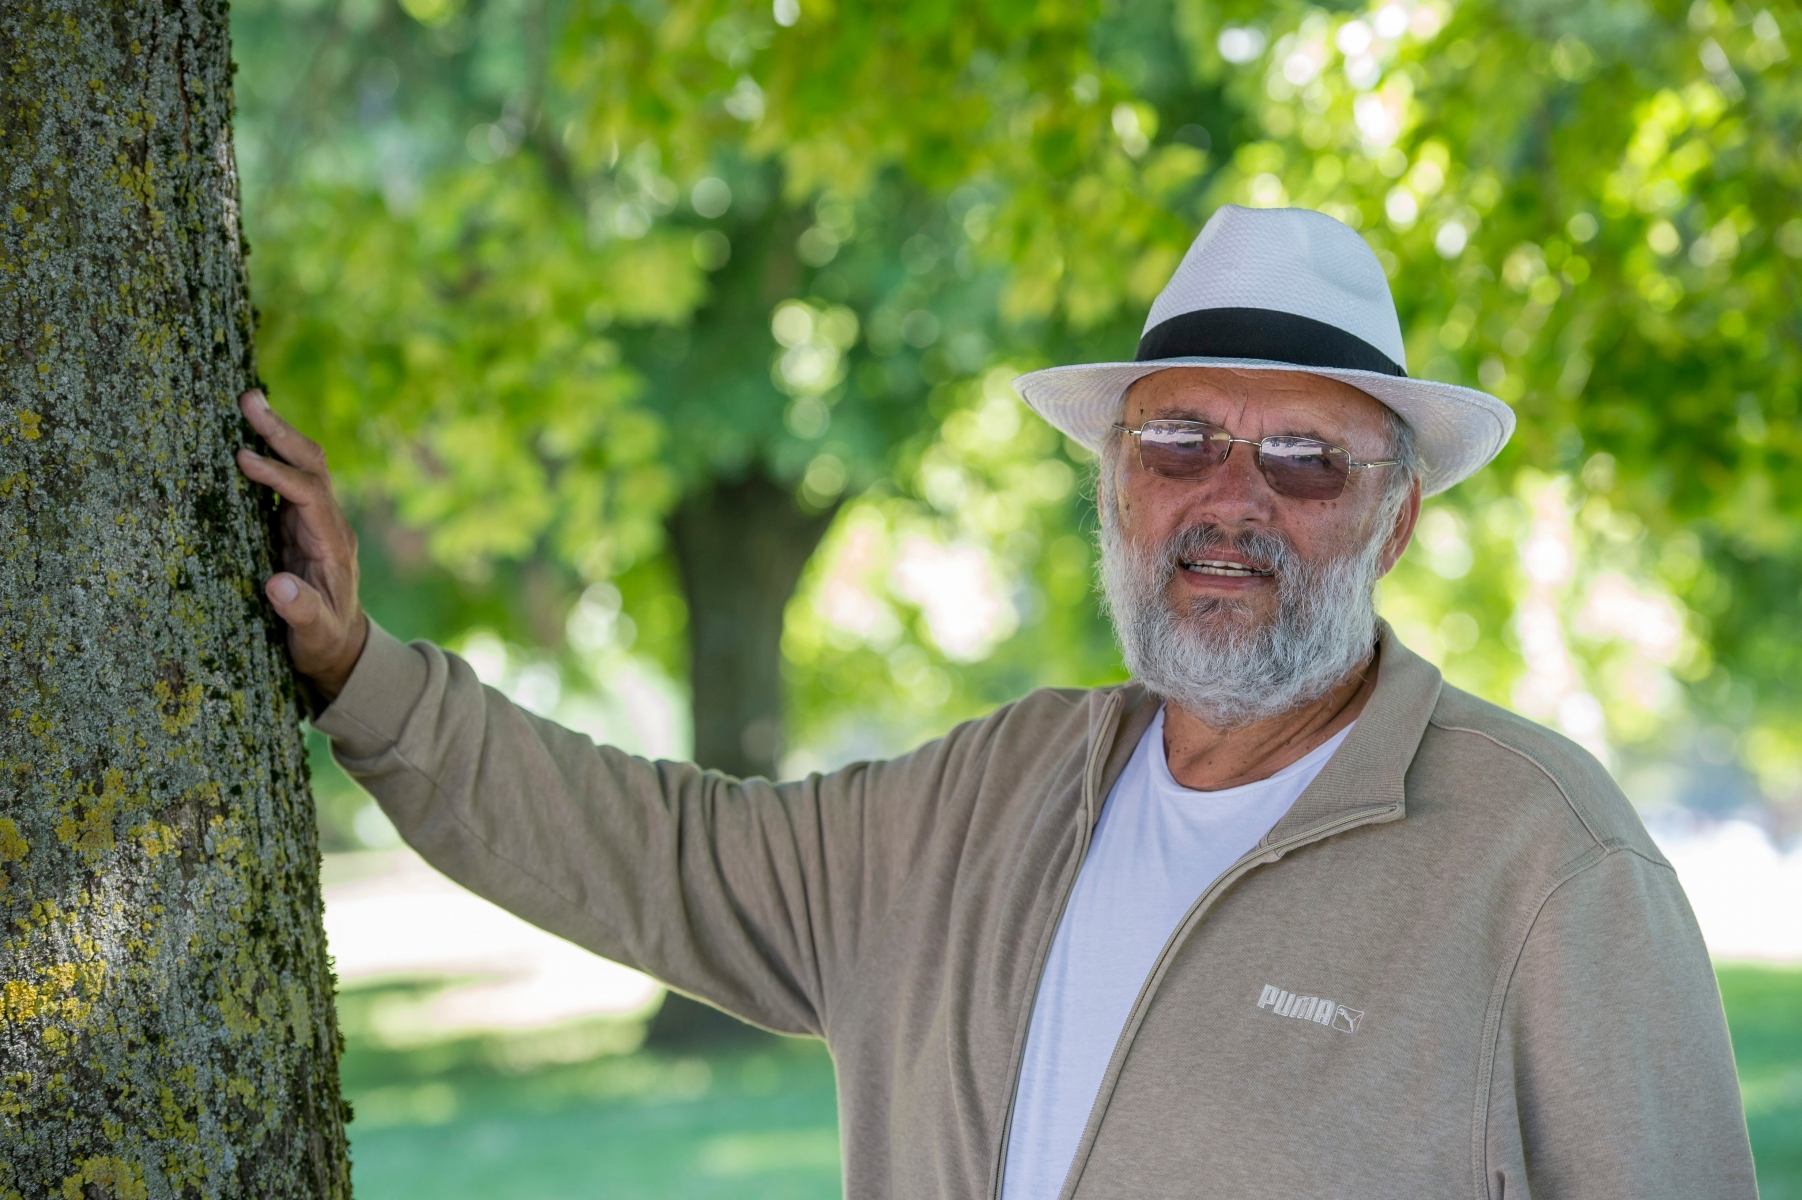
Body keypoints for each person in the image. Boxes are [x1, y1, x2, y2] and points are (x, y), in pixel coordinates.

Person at [236, 206, 1756, 1199]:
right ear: (1113, 488)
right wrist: (364, 674)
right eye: (1177, 441)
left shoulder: (1543, 864)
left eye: (1302, 457)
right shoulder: (994, 795)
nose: (1230, 500)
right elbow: (664, 856)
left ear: (1396, 519)